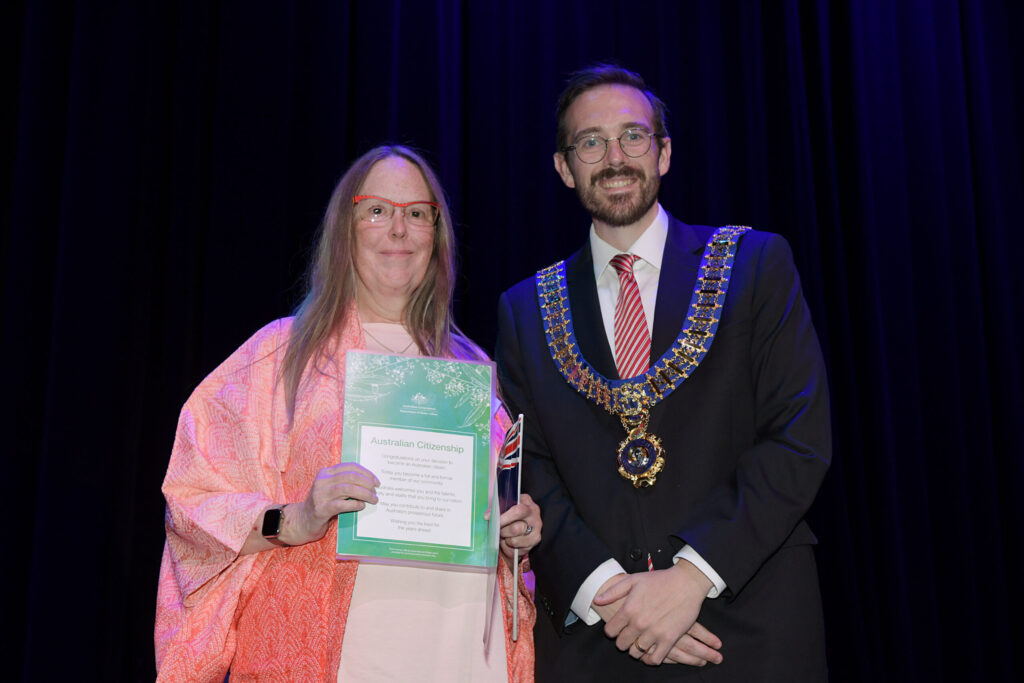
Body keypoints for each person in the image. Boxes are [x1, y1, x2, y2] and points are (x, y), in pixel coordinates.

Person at [495, 65, 830, 681]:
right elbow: (528, 470)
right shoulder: (525, 309)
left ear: (664, 153)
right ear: (564, 168)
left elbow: (798, 438)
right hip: (601, 640)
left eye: (633, 136)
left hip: (748, 626)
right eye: (590, 142)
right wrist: (616, 601)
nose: (614, 157)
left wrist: (690, 578)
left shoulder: (755, 264)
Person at [156, 145, 540, 682]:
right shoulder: (280, 356)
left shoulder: (473, 369)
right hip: (336, 654)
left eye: (417, 213)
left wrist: (513, 529)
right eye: (377, 210)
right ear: (344, 229)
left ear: (436, 235)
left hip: (463, 651)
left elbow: (492, 512)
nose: (399, 229)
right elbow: (192, 501)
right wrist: (296, 518)